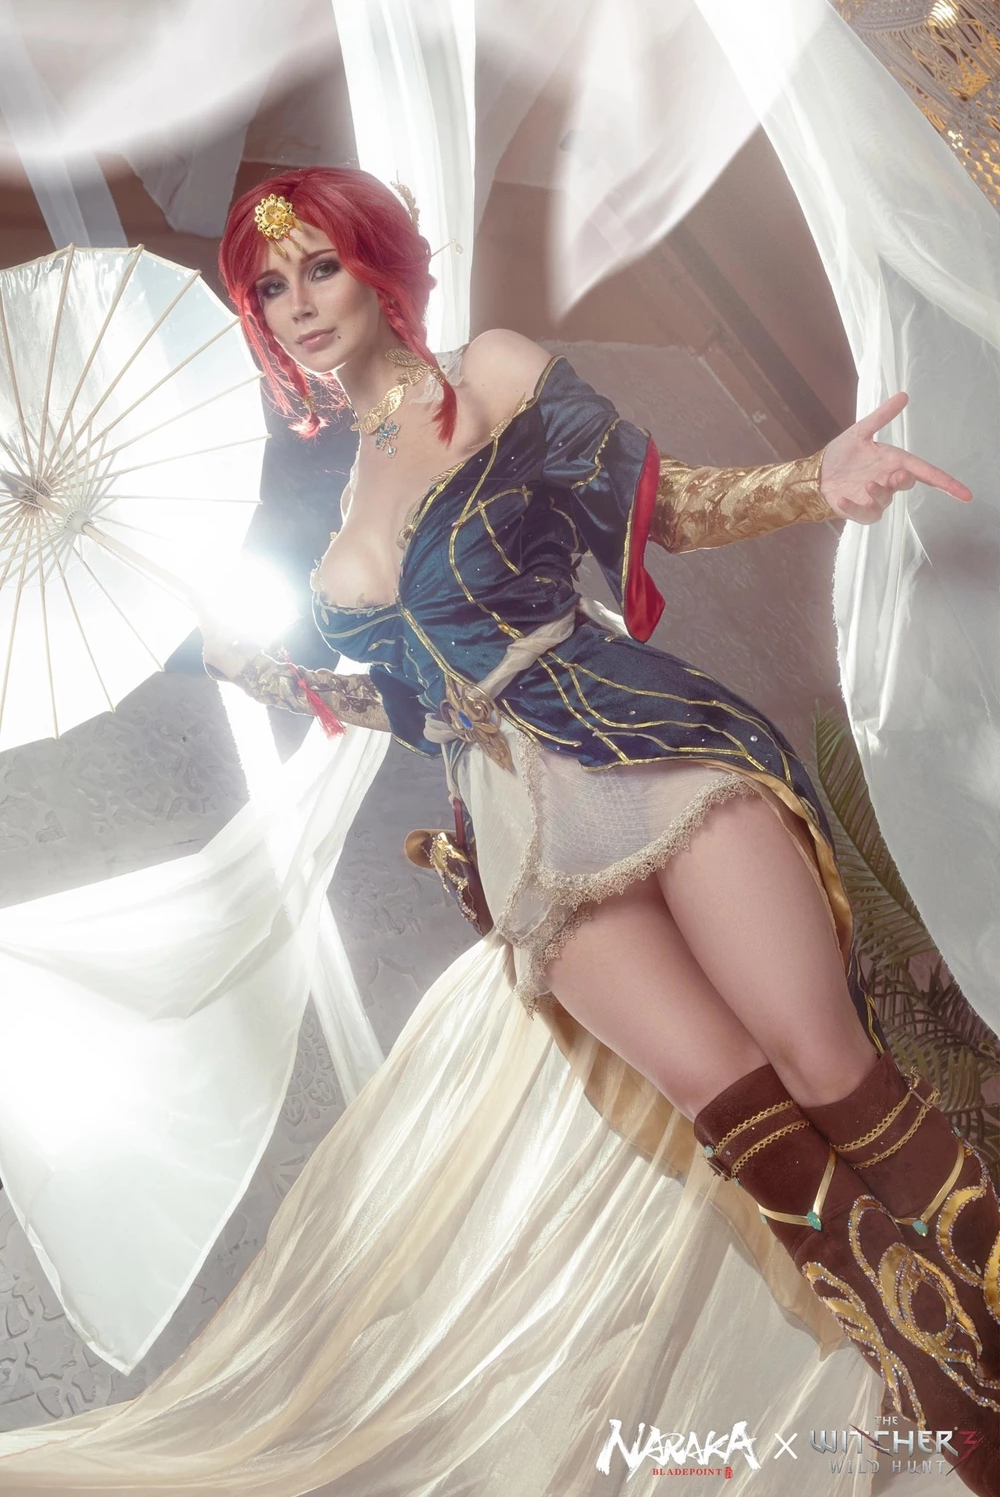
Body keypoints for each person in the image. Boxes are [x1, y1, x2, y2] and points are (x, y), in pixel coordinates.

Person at [197, 167, 998, 1492]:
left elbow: (661, 503)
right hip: (522, 841)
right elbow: (423, 705)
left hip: (639, 741)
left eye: (320, 266)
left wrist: (817, 481)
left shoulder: (492, 374)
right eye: (271, 287)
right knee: (751, 1132)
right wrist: (282, 681)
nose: (299, 303)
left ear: (377, 264)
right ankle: (976, 1433)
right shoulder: (346, 501)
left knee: (823, 1061)